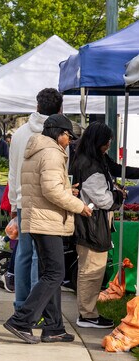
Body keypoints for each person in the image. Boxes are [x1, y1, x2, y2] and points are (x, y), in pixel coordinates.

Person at [4, 114, 92, 344]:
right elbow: (51, 191)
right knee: (55, 274)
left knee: (48, 273)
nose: (69, 142)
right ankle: (21, 320)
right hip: (47, 220)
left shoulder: (36, 150)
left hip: (35, 217)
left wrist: (65, 188)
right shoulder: (52, 153)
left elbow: (44, 186)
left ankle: (54, 327)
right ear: (58, 133)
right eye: (68, 137)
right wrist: (78, 205)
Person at [70, 122, 139, 329]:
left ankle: (88, 312)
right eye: (107, 141)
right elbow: (104, 200)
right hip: (90, 223)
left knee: (93, 269)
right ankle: (87, 315)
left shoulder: (95, 158)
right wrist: (119, 195)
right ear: (98, 141)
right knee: (91, 270)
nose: (109, 144)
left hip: (93, 222)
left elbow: (116, 169)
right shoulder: (89, 164)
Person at [7, 88, 63, 312]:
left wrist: (13, 202)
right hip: (46, 201)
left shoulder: (20, 133)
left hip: (22, 200)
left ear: (37, 106)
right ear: (59, 108)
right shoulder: (58, 134)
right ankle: (36, 307)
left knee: (23, 253)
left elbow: (12, 171)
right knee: (41, 257)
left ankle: (22, 304)